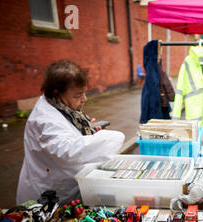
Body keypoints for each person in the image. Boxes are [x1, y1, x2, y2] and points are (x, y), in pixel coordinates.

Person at [17, 60, 125, 205]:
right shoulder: (44, 119)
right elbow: (67, 150)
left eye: (84, 93)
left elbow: (66, 131)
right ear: (57, 93)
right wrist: (108, 138)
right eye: (78, 95)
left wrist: (87, 131)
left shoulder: (60, 106)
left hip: (67, 186)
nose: (84, 99)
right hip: (48, 194)